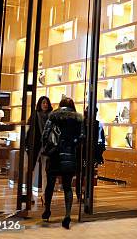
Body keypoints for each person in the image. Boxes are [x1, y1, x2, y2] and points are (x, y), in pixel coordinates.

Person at [41, 97, 84, 229]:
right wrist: (72, 145)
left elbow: (45, 135)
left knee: (50, 185)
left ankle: (47, 210)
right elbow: (82, 137)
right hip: (69, 156)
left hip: (54, 155)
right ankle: (67, 215)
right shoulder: (77, 119)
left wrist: (48, 148)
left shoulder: (53, 117)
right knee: (67, 187)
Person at [25, 96, 52, 203]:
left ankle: (45, 196)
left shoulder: (52, 117)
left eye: (47, 103)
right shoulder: (35, 115)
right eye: (43, 103)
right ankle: (29, 194)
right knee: (31, 170)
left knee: (46, 172)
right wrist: (27, 145)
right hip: (35, 147)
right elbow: (29, 132)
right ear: (39, 104)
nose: (45, 105)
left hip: (47, 147)